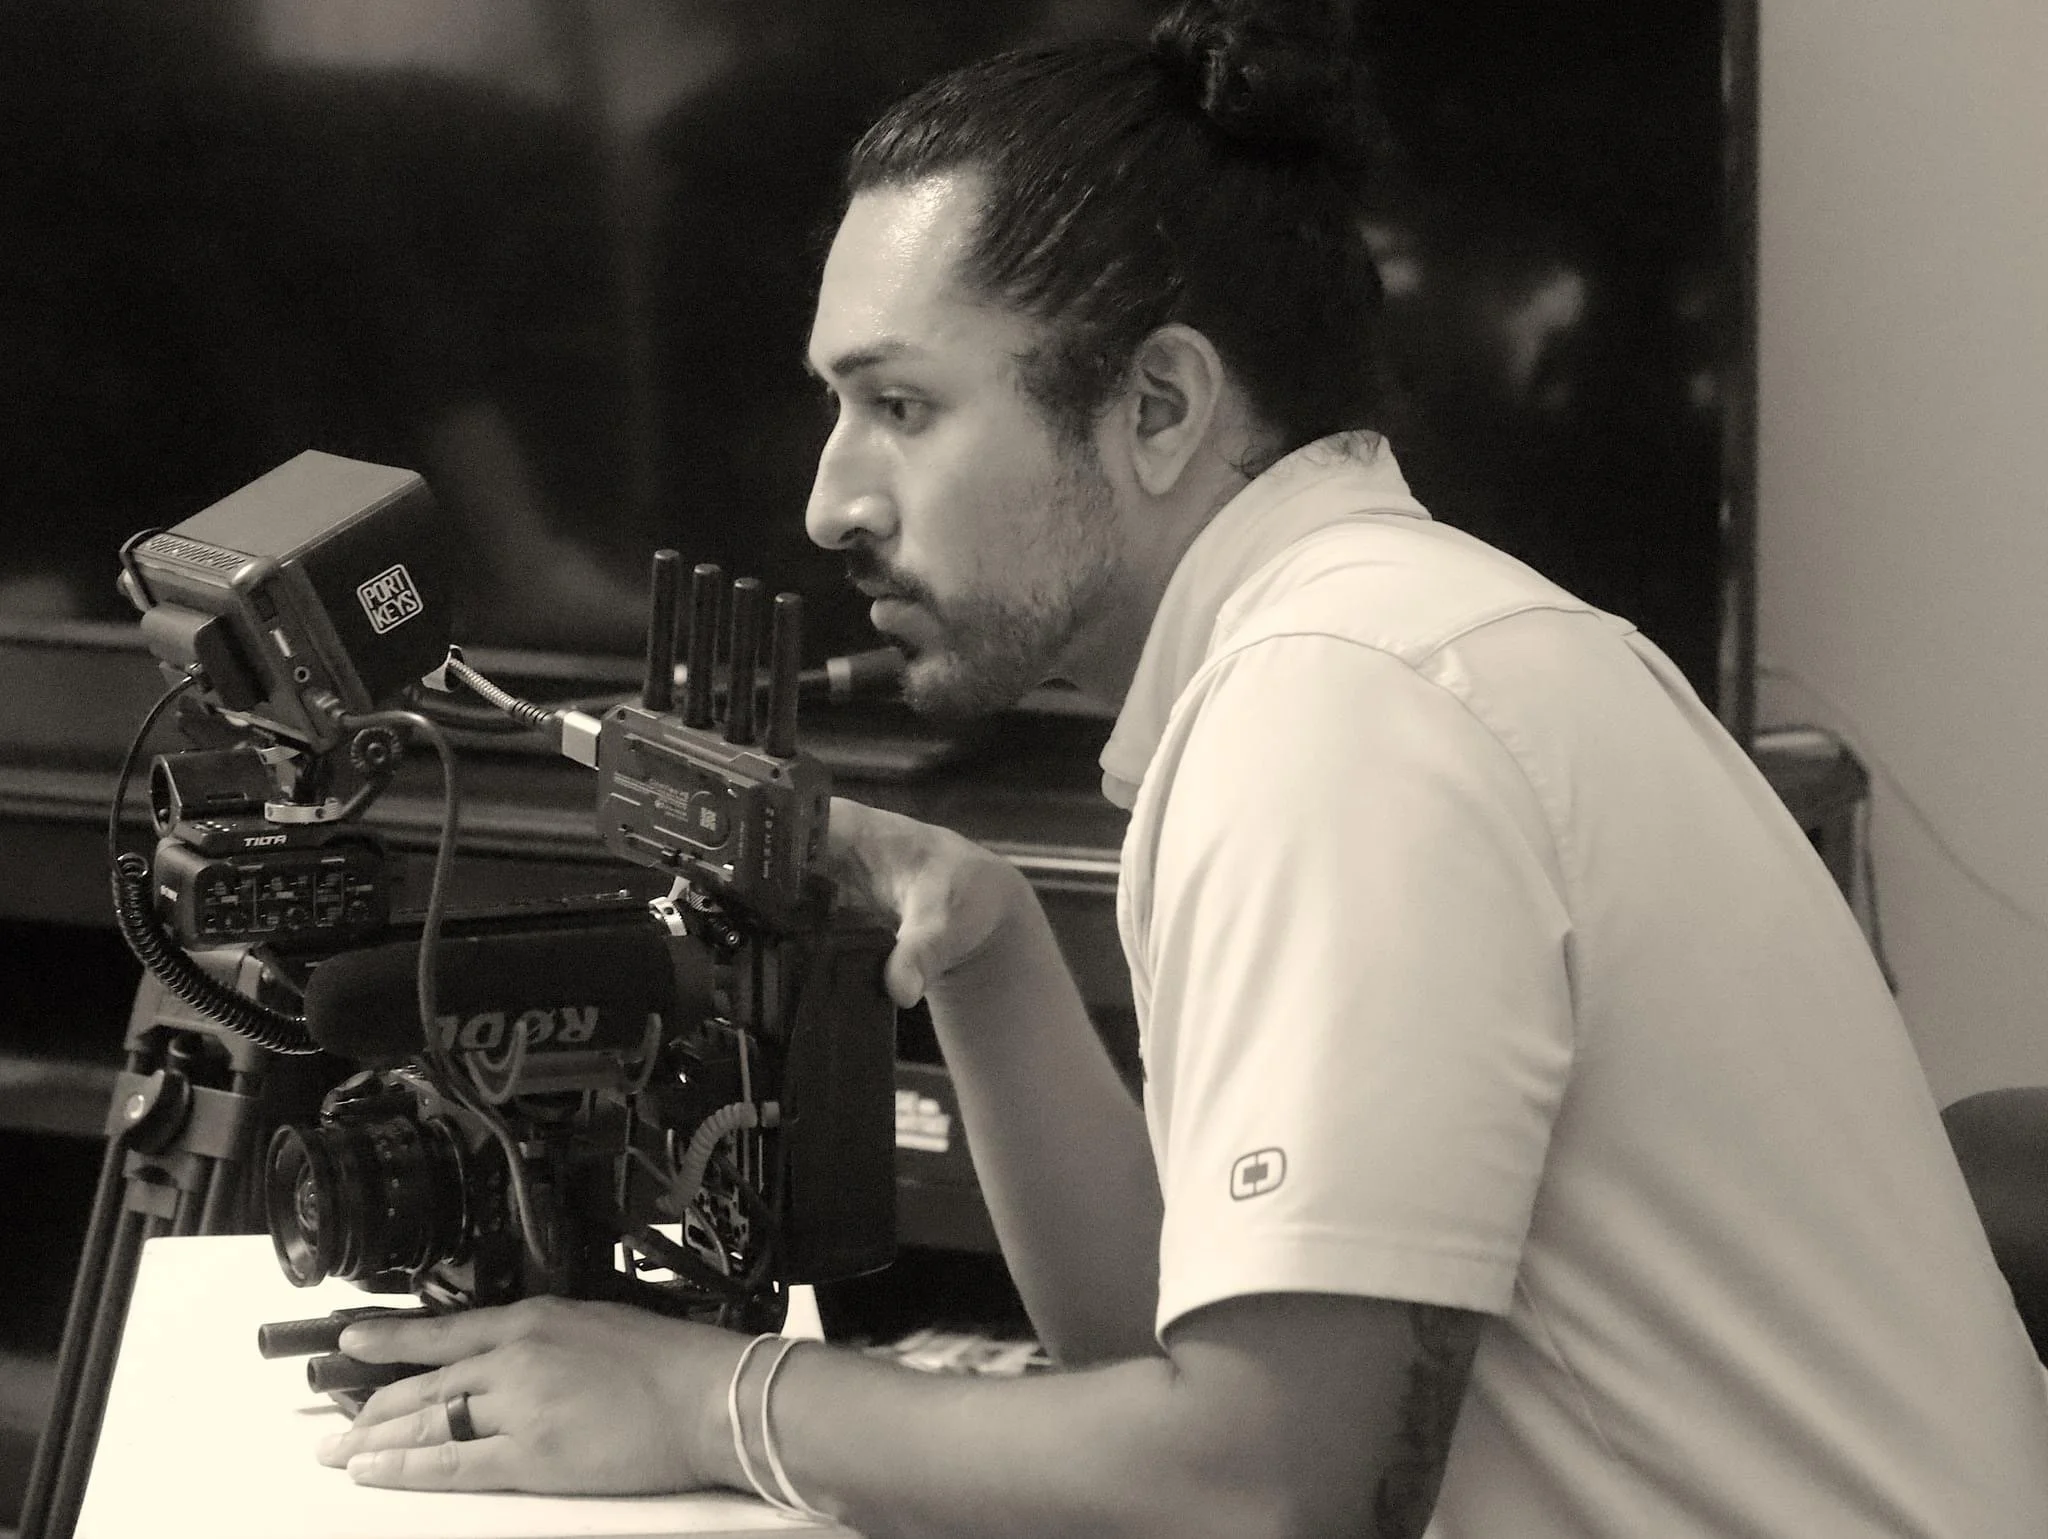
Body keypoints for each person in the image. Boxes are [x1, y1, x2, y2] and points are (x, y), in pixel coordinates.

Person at [312, 1, 2048, 1533]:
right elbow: (1167, 1364)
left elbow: (1258, 1491)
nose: (829, 499)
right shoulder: (1381, 646)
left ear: (1160, 407)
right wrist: (985, 947)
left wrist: (703, 1395)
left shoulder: (1345, 711)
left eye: (901, 406)